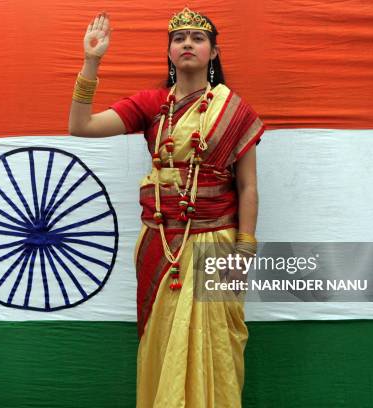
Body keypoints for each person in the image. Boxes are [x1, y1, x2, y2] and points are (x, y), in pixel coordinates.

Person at [68, 7, 265, 407]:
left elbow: (247, 187)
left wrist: (244, 250)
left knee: (217, 347)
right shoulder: (153, 104)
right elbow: (81, 126)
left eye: (197, 38)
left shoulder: (235, 111)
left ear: (213, 52)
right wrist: (92, 61)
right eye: (179, 39)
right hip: (161, 245)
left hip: (217, 246)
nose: (187, 43)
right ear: (170, 53)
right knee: (163, 345)